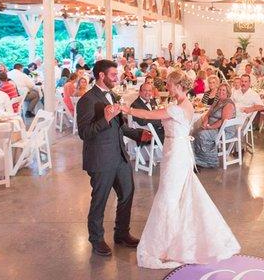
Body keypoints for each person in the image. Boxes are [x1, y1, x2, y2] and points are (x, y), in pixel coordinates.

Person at [124, 71, 240, 268]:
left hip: (176, 154)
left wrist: (126, 110)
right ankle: (178, 239)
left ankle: (166, 244)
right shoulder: (181, 104)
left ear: (177, 85)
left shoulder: (177, 108)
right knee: (178, 195)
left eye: (168, 84)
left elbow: (149, 115)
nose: (166, 87)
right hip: (174, 151)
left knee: (169, 196)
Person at [76, 59, 151, 257]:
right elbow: (84, 133)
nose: (117, 77)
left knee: (127, 193)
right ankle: (96, 239)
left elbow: (121, 126)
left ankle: (121, 234)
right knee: (100, 200)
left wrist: (138, 134)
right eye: (113, 75)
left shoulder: (114, 95)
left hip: (119, 155)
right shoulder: (87, 100)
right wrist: (105, 119)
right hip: (100, 159)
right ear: (101, 76)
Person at [192, 83, 236, 168]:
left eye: (223, 90)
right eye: (219, 89)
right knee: (195, 131)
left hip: (224, 131)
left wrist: (210, 127)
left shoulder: (229, 104)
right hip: (214, 127)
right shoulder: (217, 102)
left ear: (228, 92)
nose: (221, 92)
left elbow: (223, 121)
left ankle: (210, 162)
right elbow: (208, 114)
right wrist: (205, 122)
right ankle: (198, 159)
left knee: (202, 134)